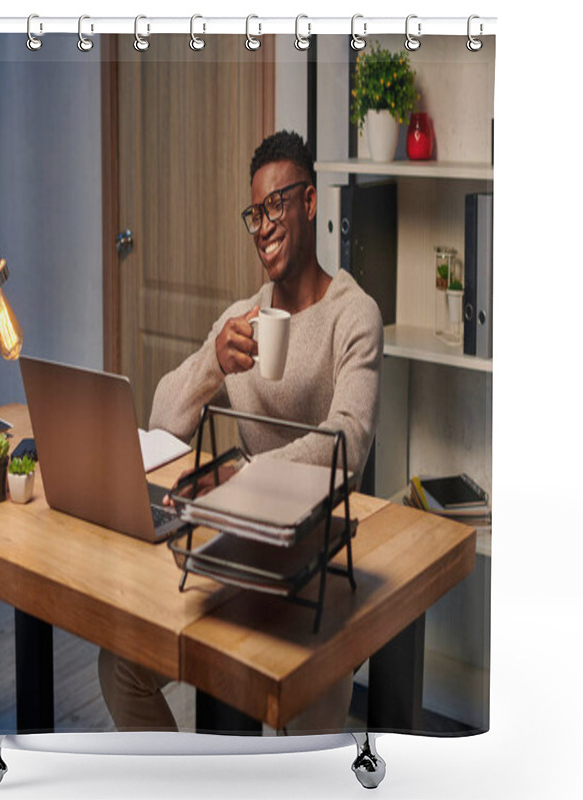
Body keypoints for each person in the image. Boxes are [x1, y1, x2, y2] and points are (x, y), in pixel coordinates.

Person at [99, 130, 383, 733]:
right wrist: (212, 365)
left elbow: (350, 442)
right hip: (238, 554)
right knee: (119, 665)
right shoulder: (241, 320)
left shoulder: (353, 315)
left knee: (302, 722)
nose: (264, 224)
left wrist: (244, 477)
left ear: (310, 203)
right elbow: (163, 420)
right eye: (256, 211)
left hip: (317, 560)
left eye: (278, 204)